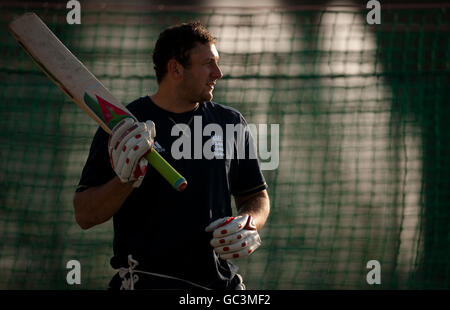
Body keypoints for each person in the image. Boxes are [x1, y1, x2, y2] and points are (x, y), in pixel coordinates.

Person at [73, 21, 270, 290]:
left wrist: (248, 222)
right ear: (176, 68)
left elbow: (255, 196)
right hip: (146, 284)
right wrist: (125, 180)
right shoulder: (125, 127)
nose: (218, 73)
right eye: (208, 63)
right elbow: (85, 215)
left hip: (219, 286)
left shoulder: (231, 122)